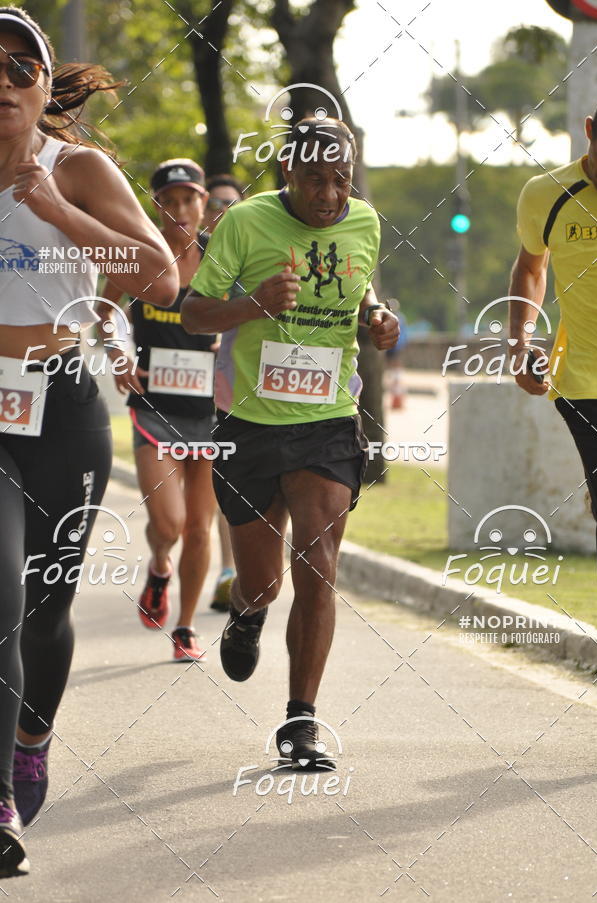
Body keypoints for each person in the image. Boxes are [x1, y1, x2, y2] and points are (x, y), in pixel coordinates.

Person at [0, 6, 177, 877]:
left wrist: (57, 209)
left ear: (41, 85)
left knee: (43, 605)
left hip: (61, 401)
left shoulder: (79, 167)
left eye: (16, 66)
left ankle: (32, 735)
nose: (1, 80)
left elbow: (161, 273)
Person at [181, 118, 399, 768]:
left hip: (329, 419)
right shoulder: (244, 223)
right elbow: (194, 311)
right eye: (315, 180)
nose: (330, 194)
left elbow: (360, 286)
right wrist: (251, 303)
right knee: (263, 582)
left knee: (318, 562)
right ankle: (247, 613)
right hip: (250, 426)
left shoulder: (364, 222)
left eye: (342, 179)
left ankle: (300, 722)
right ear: (287, 174)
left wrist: (375, 316)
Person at [98, 159, 219, 660]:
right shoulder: (143, 257)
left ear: (204, 203)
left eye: (188, 199)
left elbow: (252, 314)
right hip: (154, 410)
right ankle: (159, 565)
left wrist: (226, 342)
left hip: (211, 413)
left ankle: (187, 627)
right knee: (168, 524)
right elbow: (105, 313)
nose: (179, 210)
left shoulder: (222, 259)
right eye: (168, 202)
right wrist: (118, 351)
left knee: (199, 527)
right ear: (156, 207)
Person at [510, 105, 597, 570]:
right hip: (586, 380)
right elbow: (531, 267)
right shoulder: (547, 194)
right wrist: (521, 346)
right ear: (589, 132)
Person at [203, 173, 244, 611]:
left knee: (230, 481)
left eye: (231, 204)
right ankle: (225, 566)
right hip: (181, 385)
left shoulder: (250, 248)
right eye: (215, 203)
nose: (222, 211)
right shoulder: (192, 250)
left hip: (232, 385)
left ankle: (233, 569)